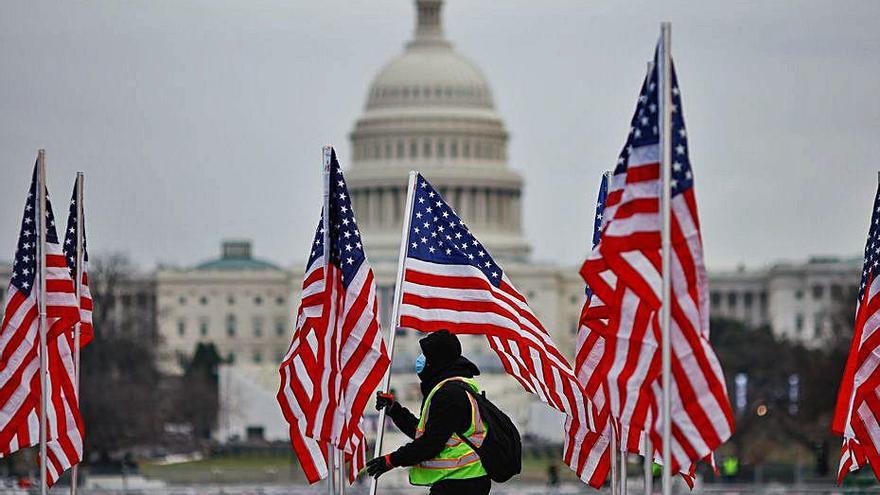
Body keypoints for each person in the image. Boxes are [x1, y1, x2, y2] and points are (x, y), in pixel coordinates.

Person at [366, 330, 491, 495]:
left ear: (436, 360)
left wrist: (392, 460)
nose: (420, 360)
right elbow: (425, 432)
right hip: (462, 479)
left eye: (425, 355)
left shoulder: (449, 394)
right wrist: (394, 410)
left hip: (461, 480)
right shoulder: (451, 387)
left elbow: (430, 443)